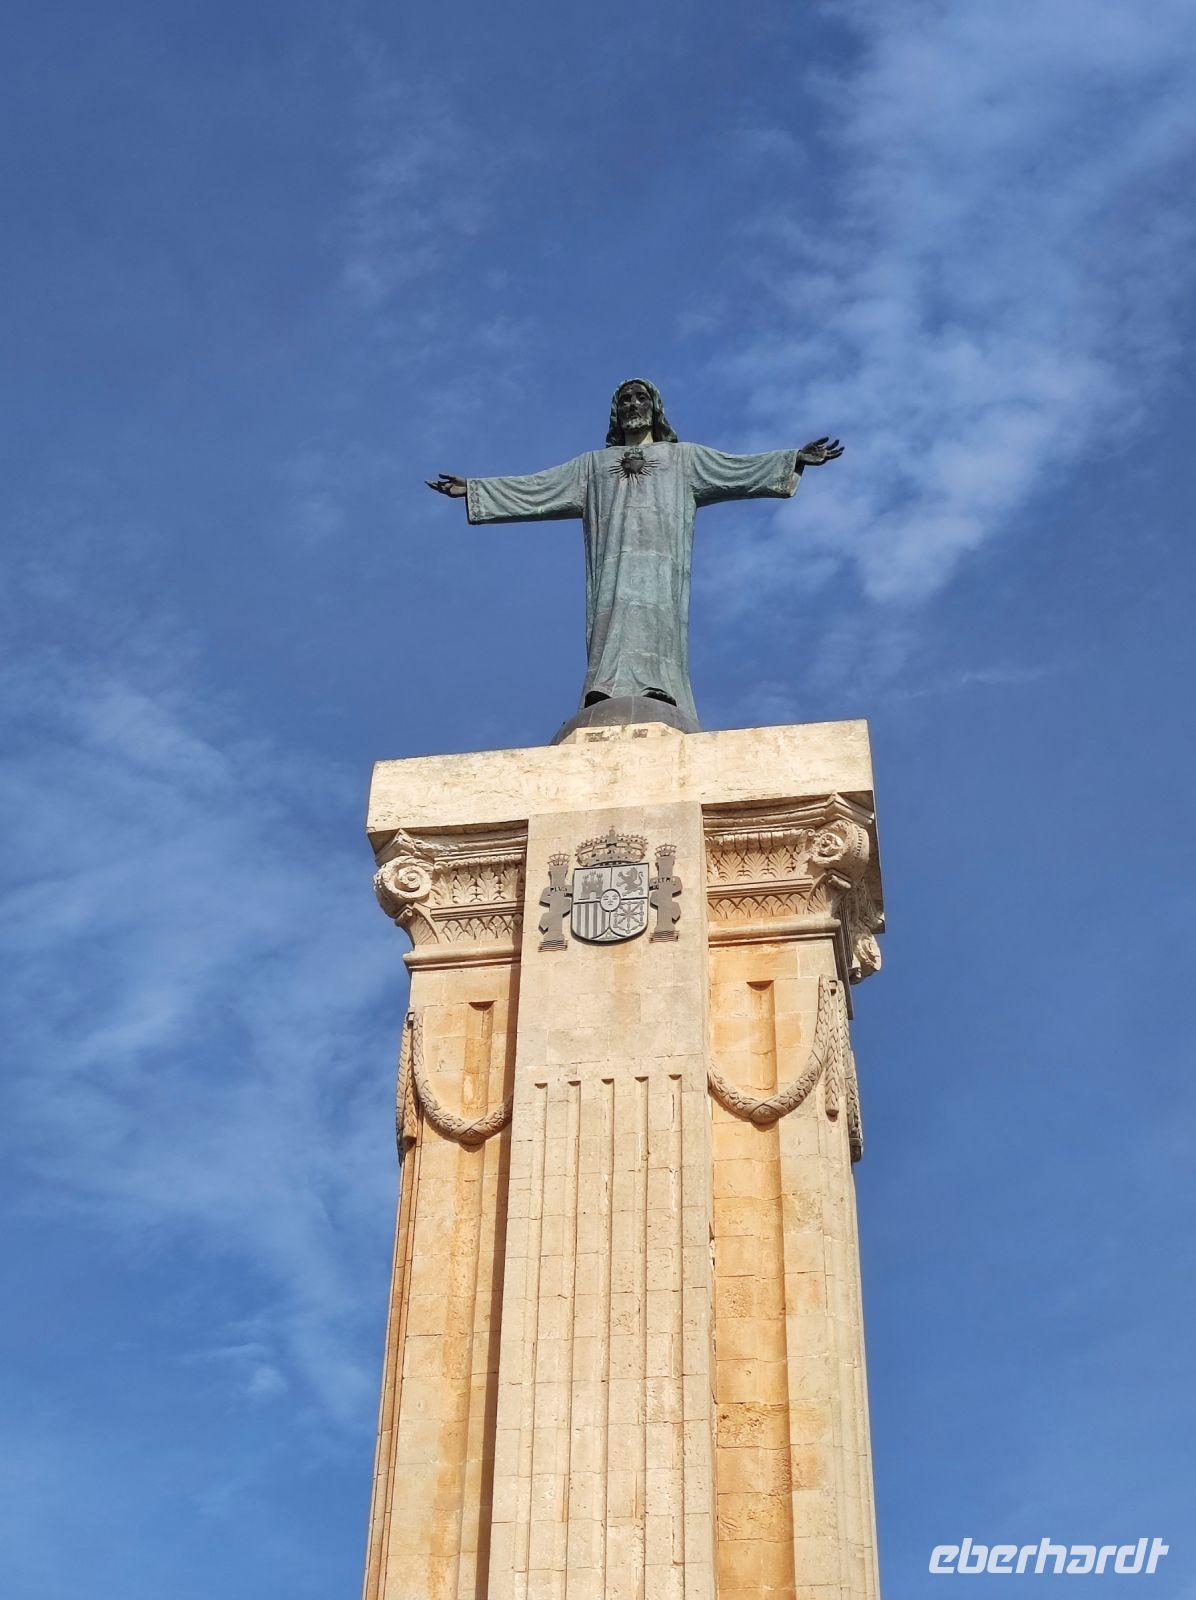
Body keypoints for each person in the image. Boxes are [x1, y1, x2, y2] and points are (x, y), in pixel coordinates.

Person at [427, 378, 842, 726]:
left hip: (662, 564)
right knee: (610, 613)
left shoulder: (684, 459)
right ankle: (604, 689)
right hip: (611, 564)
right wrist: (478, 490)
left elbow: (737, 469)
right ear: (615, 413)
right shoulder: (591, 467)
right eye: (624, 400)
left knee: (657, 616)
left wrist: (792, 459)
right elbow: (539, 488)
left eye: (640, 398)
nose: (632, 405)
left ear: (655, 407)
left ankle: (659, 687)